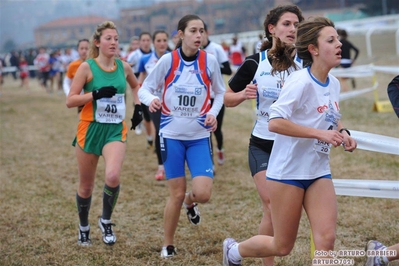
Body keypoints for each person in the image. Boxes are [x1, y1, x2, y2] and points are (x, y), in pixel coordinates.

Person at [222, 16, 358, 266]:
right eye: (331, 40)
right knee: (282, 245)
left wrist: (344, 132)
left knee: (326, 239)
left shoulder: (334, 83)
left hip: (317, 170)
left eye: (338, 38)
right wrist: (320, 134)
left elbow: (330, 116)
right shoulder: (299, 81)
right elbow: (275, 123)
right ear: (313, 50)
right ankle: (234, 251)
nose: (339, 44)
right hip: (287, 173)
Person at [138, 14, 225, 258]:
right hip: (171, 136)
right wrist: (152, 99)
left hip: (198, 136)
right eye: (194, 31)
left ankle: (191, 202)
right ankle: (168, 245)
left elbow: (220, 92)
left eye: (202, 31)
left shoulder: (210, 61)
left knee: (204, 194)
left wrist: (213, 113)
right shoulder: (168, 61)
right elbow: (144, 88)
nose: (199, 35)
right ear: (181, 34)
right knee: (174, 194)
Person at [224, 5, 304, 266]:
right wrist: (242, 95)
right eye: (287, 24)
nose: (293, 29)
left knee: (277, 211)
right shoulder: (254, 63)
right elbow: (226, 98)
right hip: (263, 145)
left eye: (296, 24)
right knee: (271, 204)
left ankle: (239, 251)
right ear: (272, 28)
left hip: (293, 147)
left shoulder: (305, 63)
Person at [65, 21, 142, 247]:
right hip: (90, 129)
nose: (114, 42)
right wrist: (94, 94)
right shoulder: (87, 68)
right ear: (97, 43)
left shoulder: (124, 67)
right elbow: (70, 100)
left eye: (116, 38)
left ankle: (105, 220)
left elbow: (136, 86)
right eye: (109, 38)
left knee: (113, 176)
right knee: (86, 186)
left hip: (114, 130)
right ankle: (83, 227)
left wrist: (138, 107)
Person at [137, 30, 170, 181]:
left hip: (172, 102)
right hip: (155, 102)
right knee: (160, 131)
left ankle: (175, 164)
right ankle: (161, 166)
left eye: (164, 40)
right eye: (158, 40)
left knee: (173, 133)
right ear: (153, 42)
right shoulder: (145, 59)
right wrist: (140, 96)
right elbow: (141, 77)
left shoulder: (174, 56)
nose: (162, 43)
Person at [201, 22, 232, 166]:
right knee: (205, 131)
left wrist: (212, 65)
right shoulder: (195, 51)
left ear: (207, 33)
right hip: (202, 99)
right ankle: (210, 162)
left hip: (216, 97)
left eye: (201, 31)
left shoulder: (217, 49)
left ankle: (220, 148)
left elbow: (228, 70)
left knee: (216, 129)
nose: (199, 35)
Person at [127, 32, 153, 141]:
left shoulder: (155, 54)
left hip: (154, 86)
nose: (146, 43)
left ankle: (152, 136)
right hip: (139, 84)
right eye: (143, 40)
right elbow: (126, 69)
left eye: (148, 40)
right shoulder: (134, 55)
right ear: (140, 42)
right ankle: (149, 137)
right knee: (145, 112)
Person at [63, 39, 90, 114]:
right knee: (82, 122)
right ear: (78, 50)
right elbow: (66, 81)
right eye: (82, 48)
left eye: (86, 48)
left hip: (94, 98)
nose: (84, 51)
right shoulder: (73, 65)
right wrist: (70, 94)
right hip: (81, 100)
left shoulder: (95, 64)